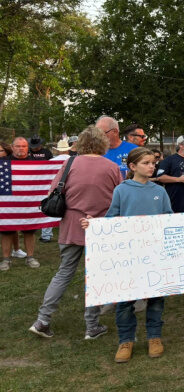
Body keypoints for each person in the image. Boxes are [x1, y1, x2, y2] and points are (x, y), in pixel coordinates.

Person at [81, 147, 184, 363]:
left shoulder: (160, 191)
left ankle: (154, 337)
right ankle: (126, 340)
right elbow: (111, 220)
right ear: (133, 167)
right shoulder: (121, 190)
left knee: (155, 297)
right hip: (128, 258)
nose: (152, 166)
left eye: (153, 162)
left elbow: (168, 219)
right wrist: (93, 225)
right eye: (146, 163)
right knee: (125, 301)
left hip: (154, 255)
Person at [28, 126, 122, 340]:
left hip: (71, 224)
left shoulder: (69, 164)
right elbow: (120, 197)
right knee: (97, 276)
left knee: (64, 272)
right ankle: (92, 325)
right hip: (100, 227)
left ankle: (42, 320)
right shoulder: (112, 167)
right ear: (102, 143)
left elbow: (54, 191)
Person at [0, 137, 39, 271]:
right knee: (6, 232)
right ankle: (6, 259)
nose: (21, 148)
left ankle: (30, 257)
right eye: (18, 146)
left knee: (29, 231)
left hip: (29, 203)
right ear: (12, 147)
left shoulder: (36, 163)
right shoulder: (3, 162)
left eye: (24, 146)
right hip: (8, 204)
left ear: (28, 148)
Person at [156, 135, 184, 212]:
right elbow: (160, 177)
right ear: (180, 145)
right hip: (175, 204)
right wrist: (178, 179)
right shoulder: (169, 160)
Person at [0, 143, 26, 260]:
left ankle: (16, 249)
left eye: (0, 151)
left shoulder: (11, 164)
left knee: (11, 225)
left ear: (6, 152)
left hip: (7, 198)